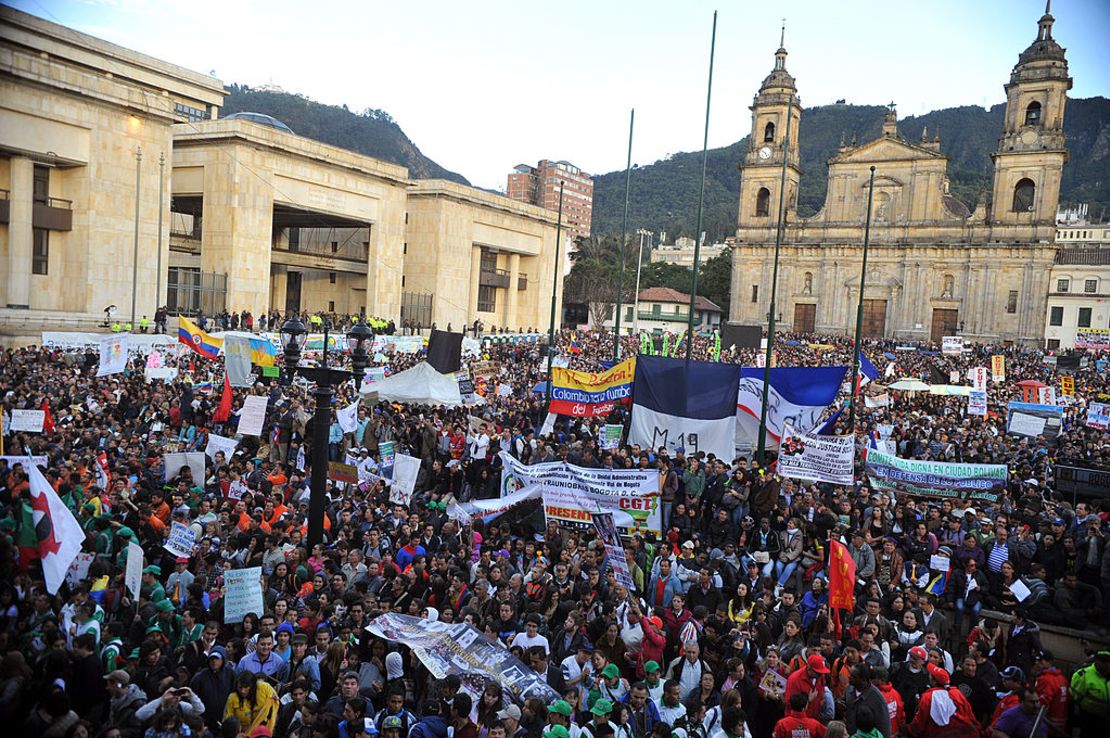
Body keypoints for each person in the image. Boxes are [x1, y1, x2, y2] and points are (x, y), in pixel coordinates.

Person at [906, 664, 979, 738]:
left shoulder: (928, 697)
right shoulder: (957, 693)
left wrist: (907, 730)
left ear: (933, 681)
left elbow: (919, 723)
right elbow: (970, 715)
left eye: (930, 675)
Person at [1070, 650, 1110, 738]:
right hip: (1089, 718)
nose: (1107, 665)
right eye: (1104, 662)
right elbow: (1075, 697)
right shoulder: (1083, 675)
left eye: (1109, 662)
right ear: (1096, 661)